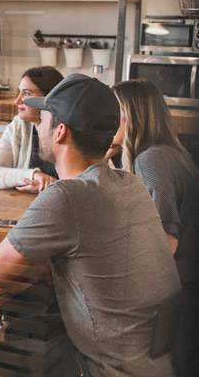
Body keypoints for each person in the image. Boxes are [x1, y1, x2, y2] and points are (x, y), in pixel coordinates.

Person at [0, 74, 181, 376]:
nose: (37, 124)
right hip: (154, 361)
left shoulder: (67, 195)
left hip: (103, 368)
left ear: (61, 131)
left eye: (43, 118)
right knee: (31, 319)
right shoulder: (127, 183)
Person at [112, 79, 198, 376]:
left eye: (114, 115)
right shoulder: (167, 153)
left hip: (180, 295)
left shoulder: (152, 161)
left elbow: (165, 242)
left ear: (131, 117)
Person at [0, 66, 63, 192]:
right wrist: (33, 176)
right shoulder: (19, 125)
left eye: (26, 93)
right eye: (19, 92)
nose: (16, 101)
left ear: (49, 98)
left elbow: (81, 184)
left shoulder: (67, 130)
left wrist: (50, 186)